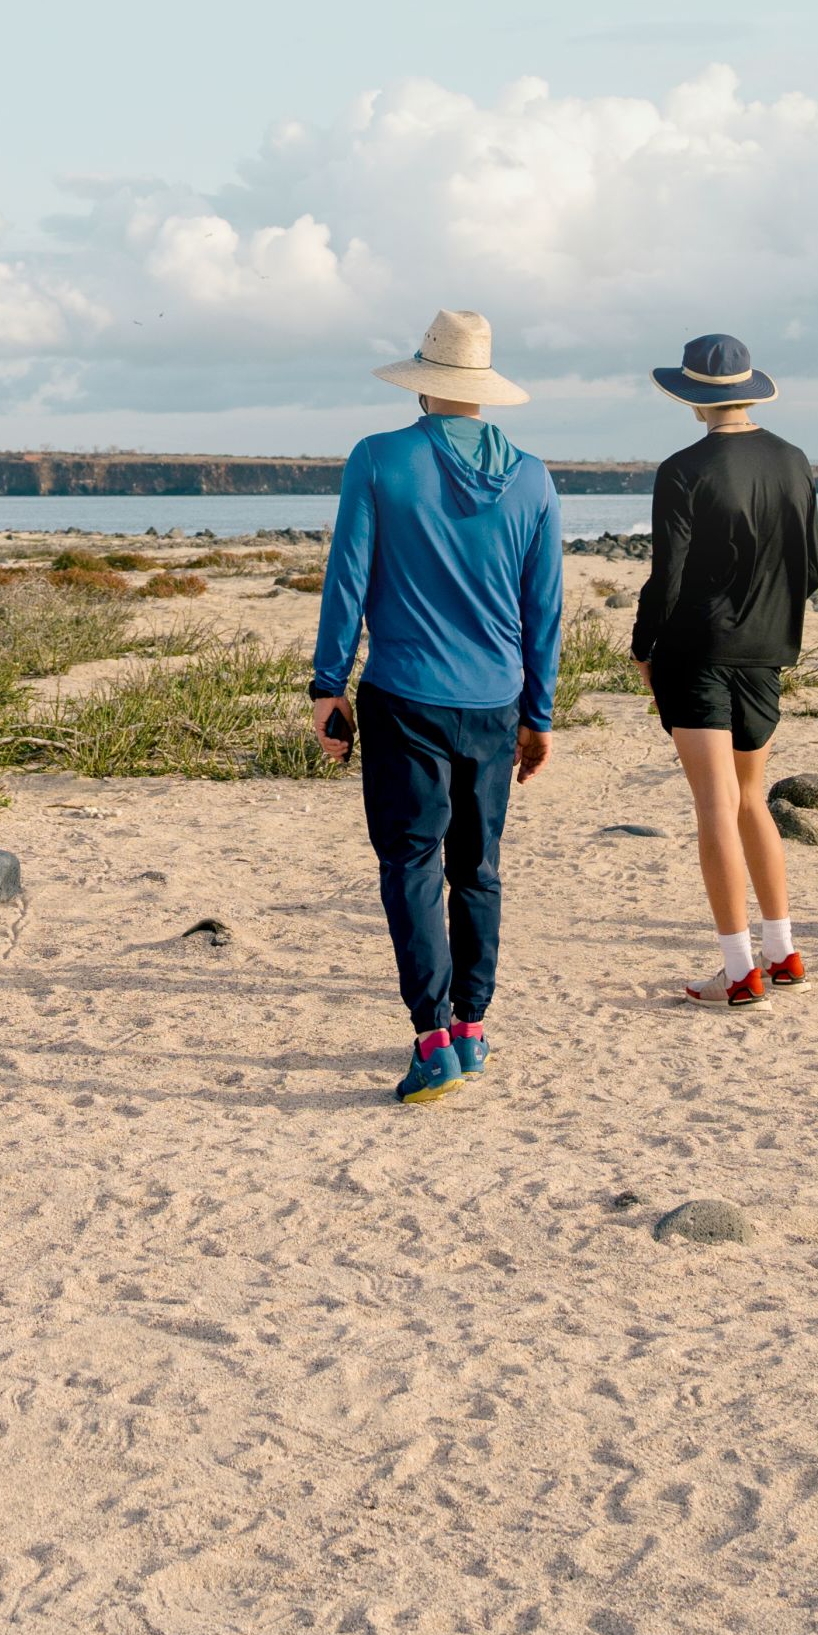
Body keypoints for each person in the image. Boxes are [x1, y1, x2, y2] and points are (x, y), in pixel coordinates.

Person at [311, 309, 565, 1105]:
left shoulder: (380, 459)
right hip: (495, 704)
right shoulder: (532, 477)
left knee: (413, 863)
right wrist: (540, 714)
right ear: (483, 389)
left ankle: (431, 1038)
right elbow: (545, 609)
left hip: (404, 696)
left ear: (424, 381)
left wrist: (328, 685)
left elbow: (346, 578)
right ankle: (472, 1026)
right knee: (478, 868)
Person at [627, 332, 818, 1005]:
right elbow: (812, 569)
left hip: (697, 651)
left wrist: (643, 646)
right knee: (750, 800)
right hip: (766, 652)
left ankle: (740, 969)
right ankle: (783, 949)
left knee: (714, 807)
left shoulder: (682, 469)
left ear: (692, 398)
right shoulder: (793, 459)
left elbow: (667, 576)